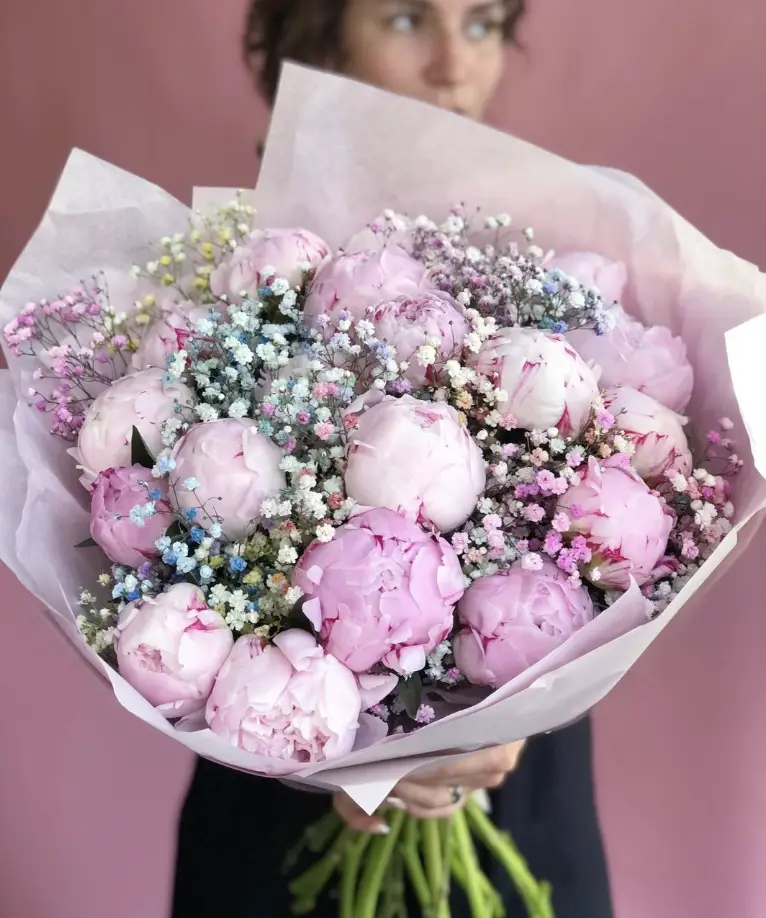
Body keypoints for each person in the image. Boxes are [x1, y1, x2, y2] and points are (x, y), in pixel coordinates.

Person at [172, 3, 614, 916]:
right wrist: (336, 755)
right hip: (279, 829)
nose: (455, 65)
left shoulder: (540, 268)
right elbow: (176, 606)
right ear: (318, 38)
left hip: (518, 805)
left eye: (484, 22)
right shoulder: (225, 289)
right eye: (409, 17)